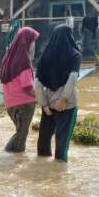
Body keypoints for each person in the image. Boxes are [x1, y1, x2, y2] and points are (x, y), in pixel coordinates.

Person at [35, 24, 81, 163]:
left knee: (44, 139)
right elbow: (72, 78)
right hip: (68, 105)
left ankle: (41, 168)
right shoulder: (75, 55)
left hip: (48, 103)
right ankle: (59, 172)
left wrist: (44, 105)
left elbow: (37, 83)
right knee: (63, 140)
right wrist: (64, 99)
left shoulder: (45, 55)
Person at [0, 27, 40, 153]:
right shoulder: (25, 60)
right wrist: (39, 97)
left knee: (19, 133)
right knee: (21, 137)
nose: (34, 44)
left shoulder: (7, 59)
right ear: (27, 41)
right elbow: (27, 86)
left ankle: (9, 157)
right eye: (33, 41)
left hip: (10, 104)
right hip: (24, 105)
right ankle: (16, 164)